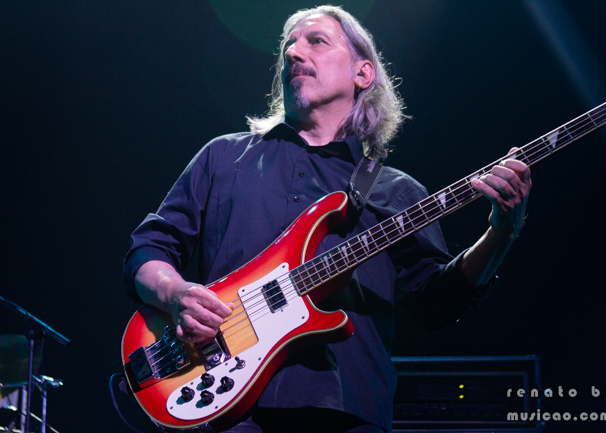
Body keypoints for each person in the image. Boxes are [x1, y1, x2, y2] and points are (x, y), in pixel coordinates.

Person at [123, 5, 531, 433]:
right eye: (288, 46)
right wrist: (176, 294)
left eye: (316, 41)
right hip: (225, 406)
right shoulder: (223, 157)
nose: (293, 52)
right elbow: (148, 249)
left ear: (363, 73)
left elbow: (437, 303)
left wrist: (501, 233)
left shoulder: (396, 192)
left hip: (345, 409)